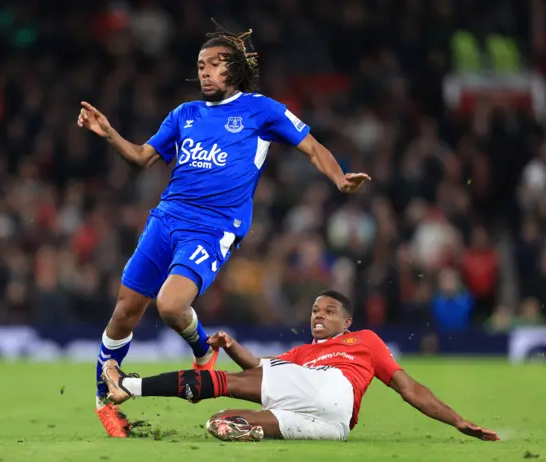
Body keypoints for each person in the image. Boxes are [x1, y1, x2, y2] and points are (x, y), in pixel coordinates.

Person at [77, 20, 371, 437]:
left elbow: (311, 146)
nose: (205, 72)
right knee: (125, 309)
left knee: (171, 306)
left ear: (234, 69)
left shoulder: (261, 110)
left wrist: (339, 178)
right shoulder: (185, 114)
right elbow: (142, 157)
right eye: (200, 65)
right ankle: (105, 403)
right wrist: (108, 133)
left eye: (214, 64)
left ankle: (200, 349)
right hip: (167, 218)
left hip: (213, 227)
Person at [100, 290, 500, 442]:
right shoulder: (300, 355)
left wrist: (456, 419)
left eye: (329, 311)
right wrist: (234, 345)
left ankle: (128, 388)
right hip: (334, 425)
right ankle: (250, 428)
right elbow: (259, 367)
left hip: (334, 389)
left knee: (223, 381)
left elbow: (409, 387)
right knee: (221, 419)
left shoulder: (364, 341)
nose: (318, 315)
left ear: (347, 322)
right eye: (313, 310)